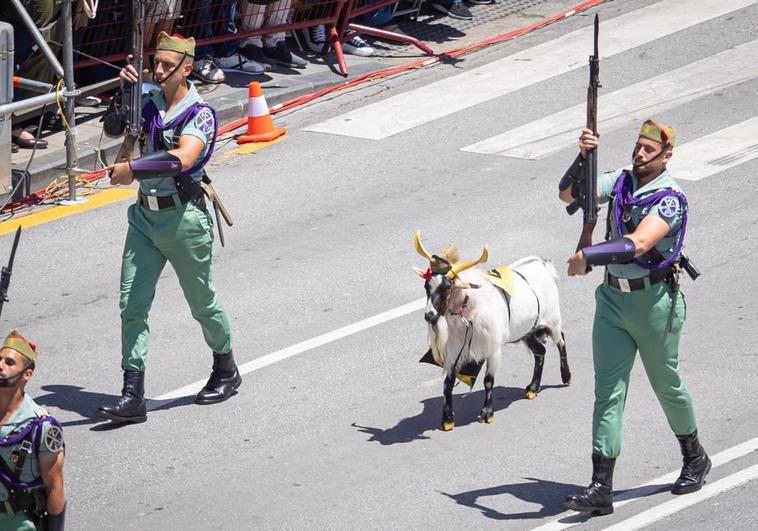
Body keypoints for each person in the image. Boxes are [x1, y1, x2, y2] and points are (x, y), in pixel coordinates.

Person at [558, 119, 710, 515]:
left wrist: (586, 256)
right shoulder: (622, 181)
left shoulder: (670, 198)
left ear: (667, 157)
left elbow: (638, 243)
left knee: (667, 385)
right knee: (607, 393)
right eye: (638, 147)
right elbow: (568, 194)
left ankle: (695, 457)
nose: (640, 155)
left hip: (654, 303)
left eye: (649, 151)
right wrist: (583, 155)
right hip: (612, 301)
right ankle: (600, 487)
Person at [97, 32, 241, 424]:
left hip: (184, 220)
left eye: (165, 65)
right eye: (153, 64)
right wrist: (122, 96)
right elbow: (114, 131)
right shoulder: (148, 103)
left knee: (201, 302)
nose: (157, 71)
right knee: (132, 305)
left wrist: (134, 168)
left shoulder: (201, 114)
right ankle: (132, 395)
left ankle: (226, 368)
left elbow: (183, 156)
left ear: (186, 69)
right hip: (144, 217)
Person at [0, 330, 65, 530]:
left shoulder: (42, 426)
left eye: (9, 363)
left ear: (27, 374)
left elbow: (54, 487)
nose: (0, 366)